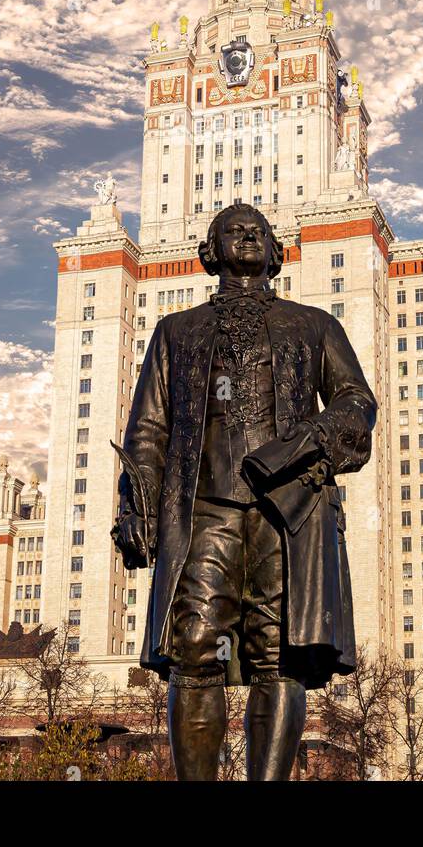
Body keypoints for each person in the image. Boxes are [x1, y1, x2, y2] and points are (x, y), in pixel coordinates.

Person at [112, 201, 377, 780]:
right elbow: (149, 430)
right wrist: (135, 504)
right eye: (233, 231)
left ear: (276, 251)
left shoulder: (313, 325)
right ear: (210, 251)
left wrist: (309, 441)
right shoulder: (175, 331)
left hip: (287, 510)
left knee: (276, 655)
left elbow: (357, 402)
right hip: (203, 509)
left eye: (258, 231)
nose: (248, 237)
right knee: (194, 647)